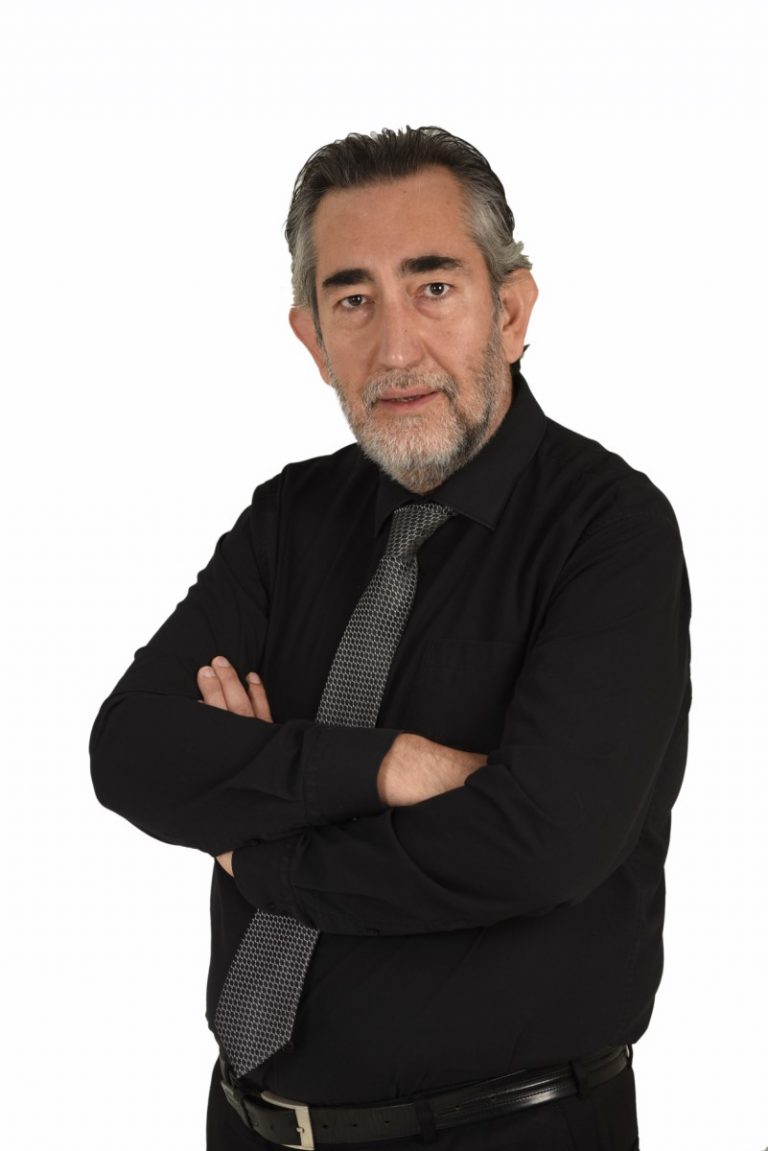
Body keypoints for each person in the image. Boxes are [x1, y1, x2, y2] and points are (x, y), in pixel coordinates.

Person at [89, 126, 692, 1150]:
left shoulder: (609, 530)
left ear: (511, 311)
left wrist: (258, 843)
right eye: (354, 300)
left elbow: (539, 843)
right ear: (312, 337)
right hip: (246, 1123)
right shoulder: (289, 519)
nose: (397, 348)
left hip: (508, 1131)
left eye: (435, 287)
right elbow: (132, 749)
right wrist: (386, 766)